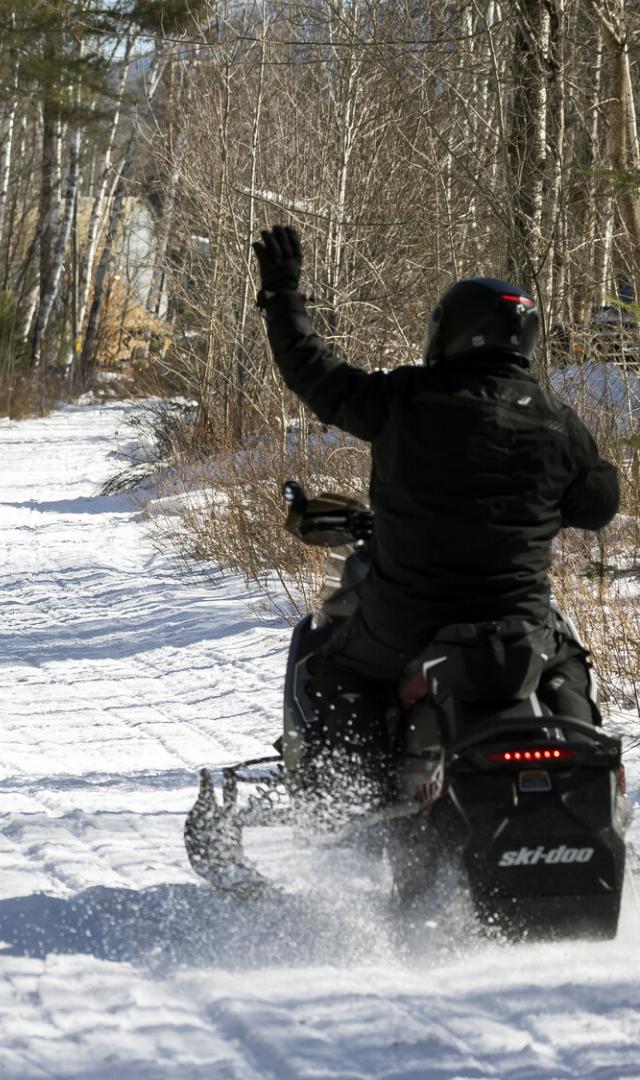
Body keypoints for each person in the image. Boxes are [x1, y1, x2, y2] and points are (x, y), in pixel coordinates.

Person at [251, 225, 620, 801]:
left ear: (452, 333)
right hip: (519, 618)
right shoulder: (556, 421)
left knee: (334, 669)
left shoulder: (405, 398)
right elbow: (598, 507)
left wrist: (281, 292)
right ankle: (595, 788)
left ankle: (349, 808)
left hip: (410, 620)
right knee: (566, 660)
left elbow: (310, 369)